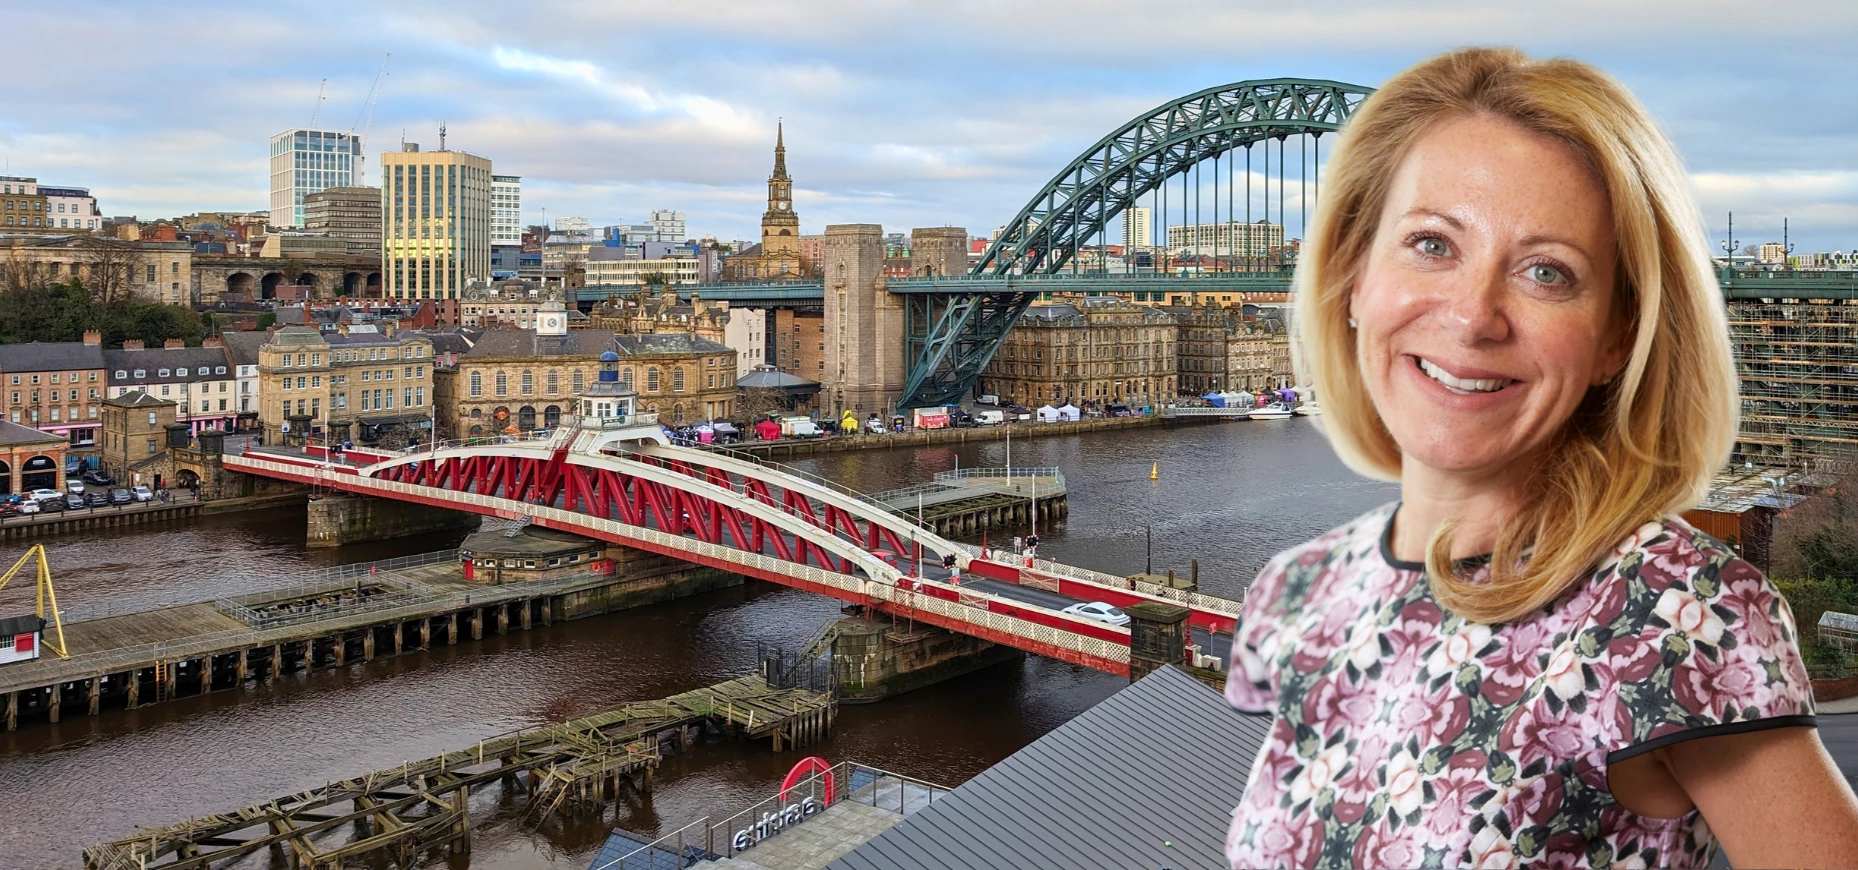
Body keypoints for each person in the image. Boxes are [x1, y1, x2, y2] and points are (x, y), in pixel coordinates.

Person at [1223, 48, 1858, 869]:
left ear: (1616, 337)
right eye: (1430, 244)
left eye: (1546, 272)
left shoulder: (1669, 612)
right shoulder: (1293, 594)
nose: (1473, 315)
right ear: (1352, 275)